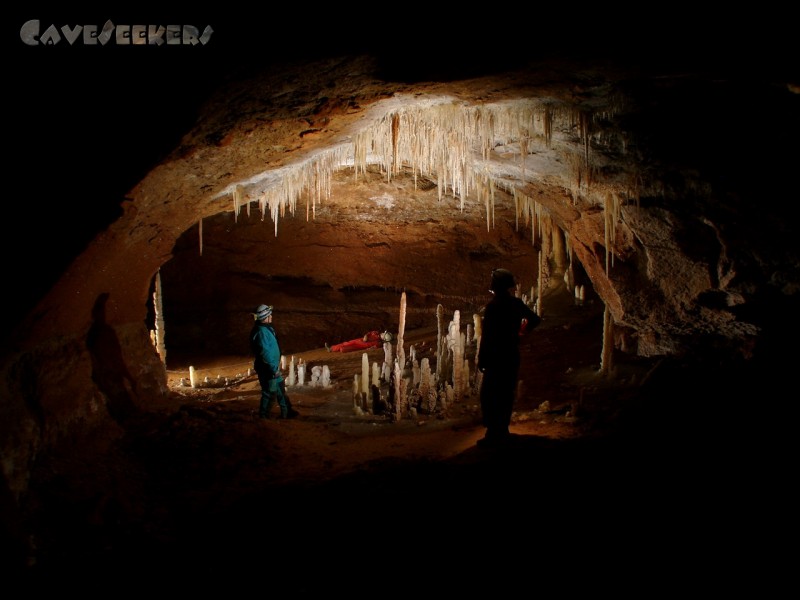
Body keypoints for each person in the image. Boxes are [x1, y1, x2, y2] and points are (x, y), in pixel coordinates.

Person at [476, 268, 541, 447]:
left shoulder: (493, 307)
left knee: (489, 394)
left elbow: (487, 336)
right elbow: (535, 319)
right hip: (511, 354)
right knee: (505, 392)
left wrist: (482, 358)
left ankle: (493, 432)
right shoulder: (516, 304)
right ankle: (502, 430)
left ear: (496, 286)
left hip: (496, 356)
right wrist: (521, 332)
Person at [250, 304, 299, 419]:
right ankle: (263, 417)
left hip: (272, 367)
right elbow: (266, 353)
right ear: (265, 317)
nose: (271, 316)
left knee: (280, 389)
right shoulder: (262, 332)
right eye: (269, 315)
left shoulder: (266, 328)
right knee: (270, 392)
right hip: (267, 368)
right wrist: (273, 369)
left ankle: (287, 412)